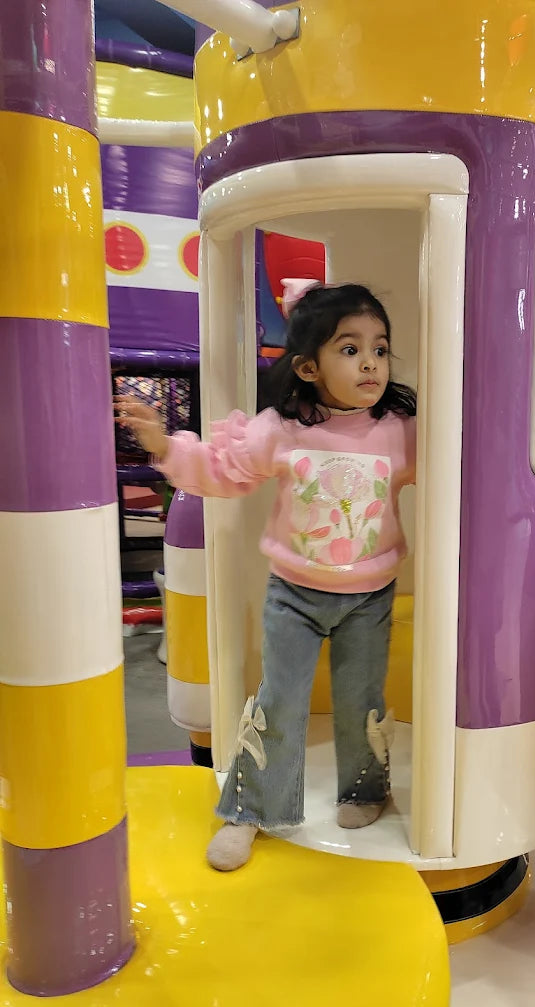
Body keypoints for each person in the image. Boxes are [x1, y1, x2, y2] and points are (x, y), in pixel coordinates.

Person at [117, 283, 417, 872]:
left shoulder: (400, 430)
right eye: (350, 349)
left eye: (379, 349)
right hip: (294, 596)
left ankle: (364, 789)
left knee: (361, 699)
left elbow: (463, 463)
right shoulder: (281, 428)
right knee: (279, 702)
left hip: (369, 596)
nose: (371, 364)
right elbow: (222, 469)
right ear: (309, 367)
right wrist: (164, 445)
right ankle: (253, 809)